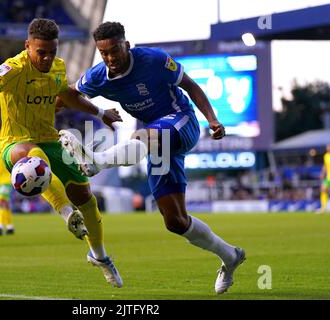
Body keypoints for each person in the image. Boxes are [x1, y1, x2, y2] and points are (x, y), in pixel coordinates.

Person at [59, 21, 246, 294]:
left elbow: (191, 86)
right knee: (175, 221)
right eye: (104, 53)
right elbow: (69, 96)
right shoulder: (98, 76)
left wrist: (212, 119)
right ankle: (230, 256)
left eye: (115, 50)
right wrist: (44, 112)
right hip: (156, 142)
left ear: (127, 45)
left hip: (181, 121)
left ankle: (95, 161)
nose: (110, 58)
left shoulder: (155, 60)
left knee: (144, 136)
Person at [0, 18, 124, 287]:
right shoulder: (13, 68)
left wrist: (101, 113)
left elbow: (67, 97)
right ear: (28, 45)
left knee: (86, 198)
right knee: (32, 159)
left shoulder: (59, 68)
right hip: (14, 143)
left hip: (50, 140)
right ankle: (65, 213)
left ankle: (99, 256)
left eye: (52, 51)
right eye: (41, 52)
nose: (47, 58)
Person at [317, 144, 330, 214]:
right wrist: (322, 173)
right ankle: (324, 207)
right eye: (328, 147)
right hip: (329, 178)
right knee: (323, 190)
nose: (329, 148)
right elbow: (325, 166)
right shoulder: (326, 156)